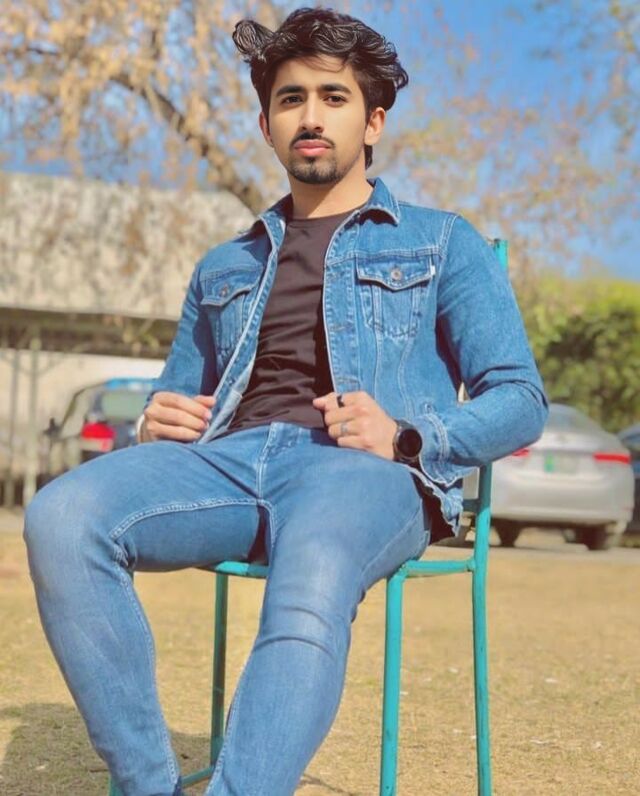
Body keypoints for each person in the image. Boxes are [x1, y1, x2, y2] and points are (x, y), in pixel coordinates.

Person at [24, 8, 548, 796]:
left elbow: (521, 399)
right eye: (291, 98)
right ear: (266, 124)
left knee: (316, 563)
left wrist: (407, 436)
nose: (310, 117)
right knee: (60, 517)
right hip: (230, 465)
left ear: (373, 122)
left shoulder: (442, 241)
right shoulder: (223, 265)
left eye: (334, 98)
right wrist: (154, 420)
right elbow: (180, 392)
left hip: (365, 474)